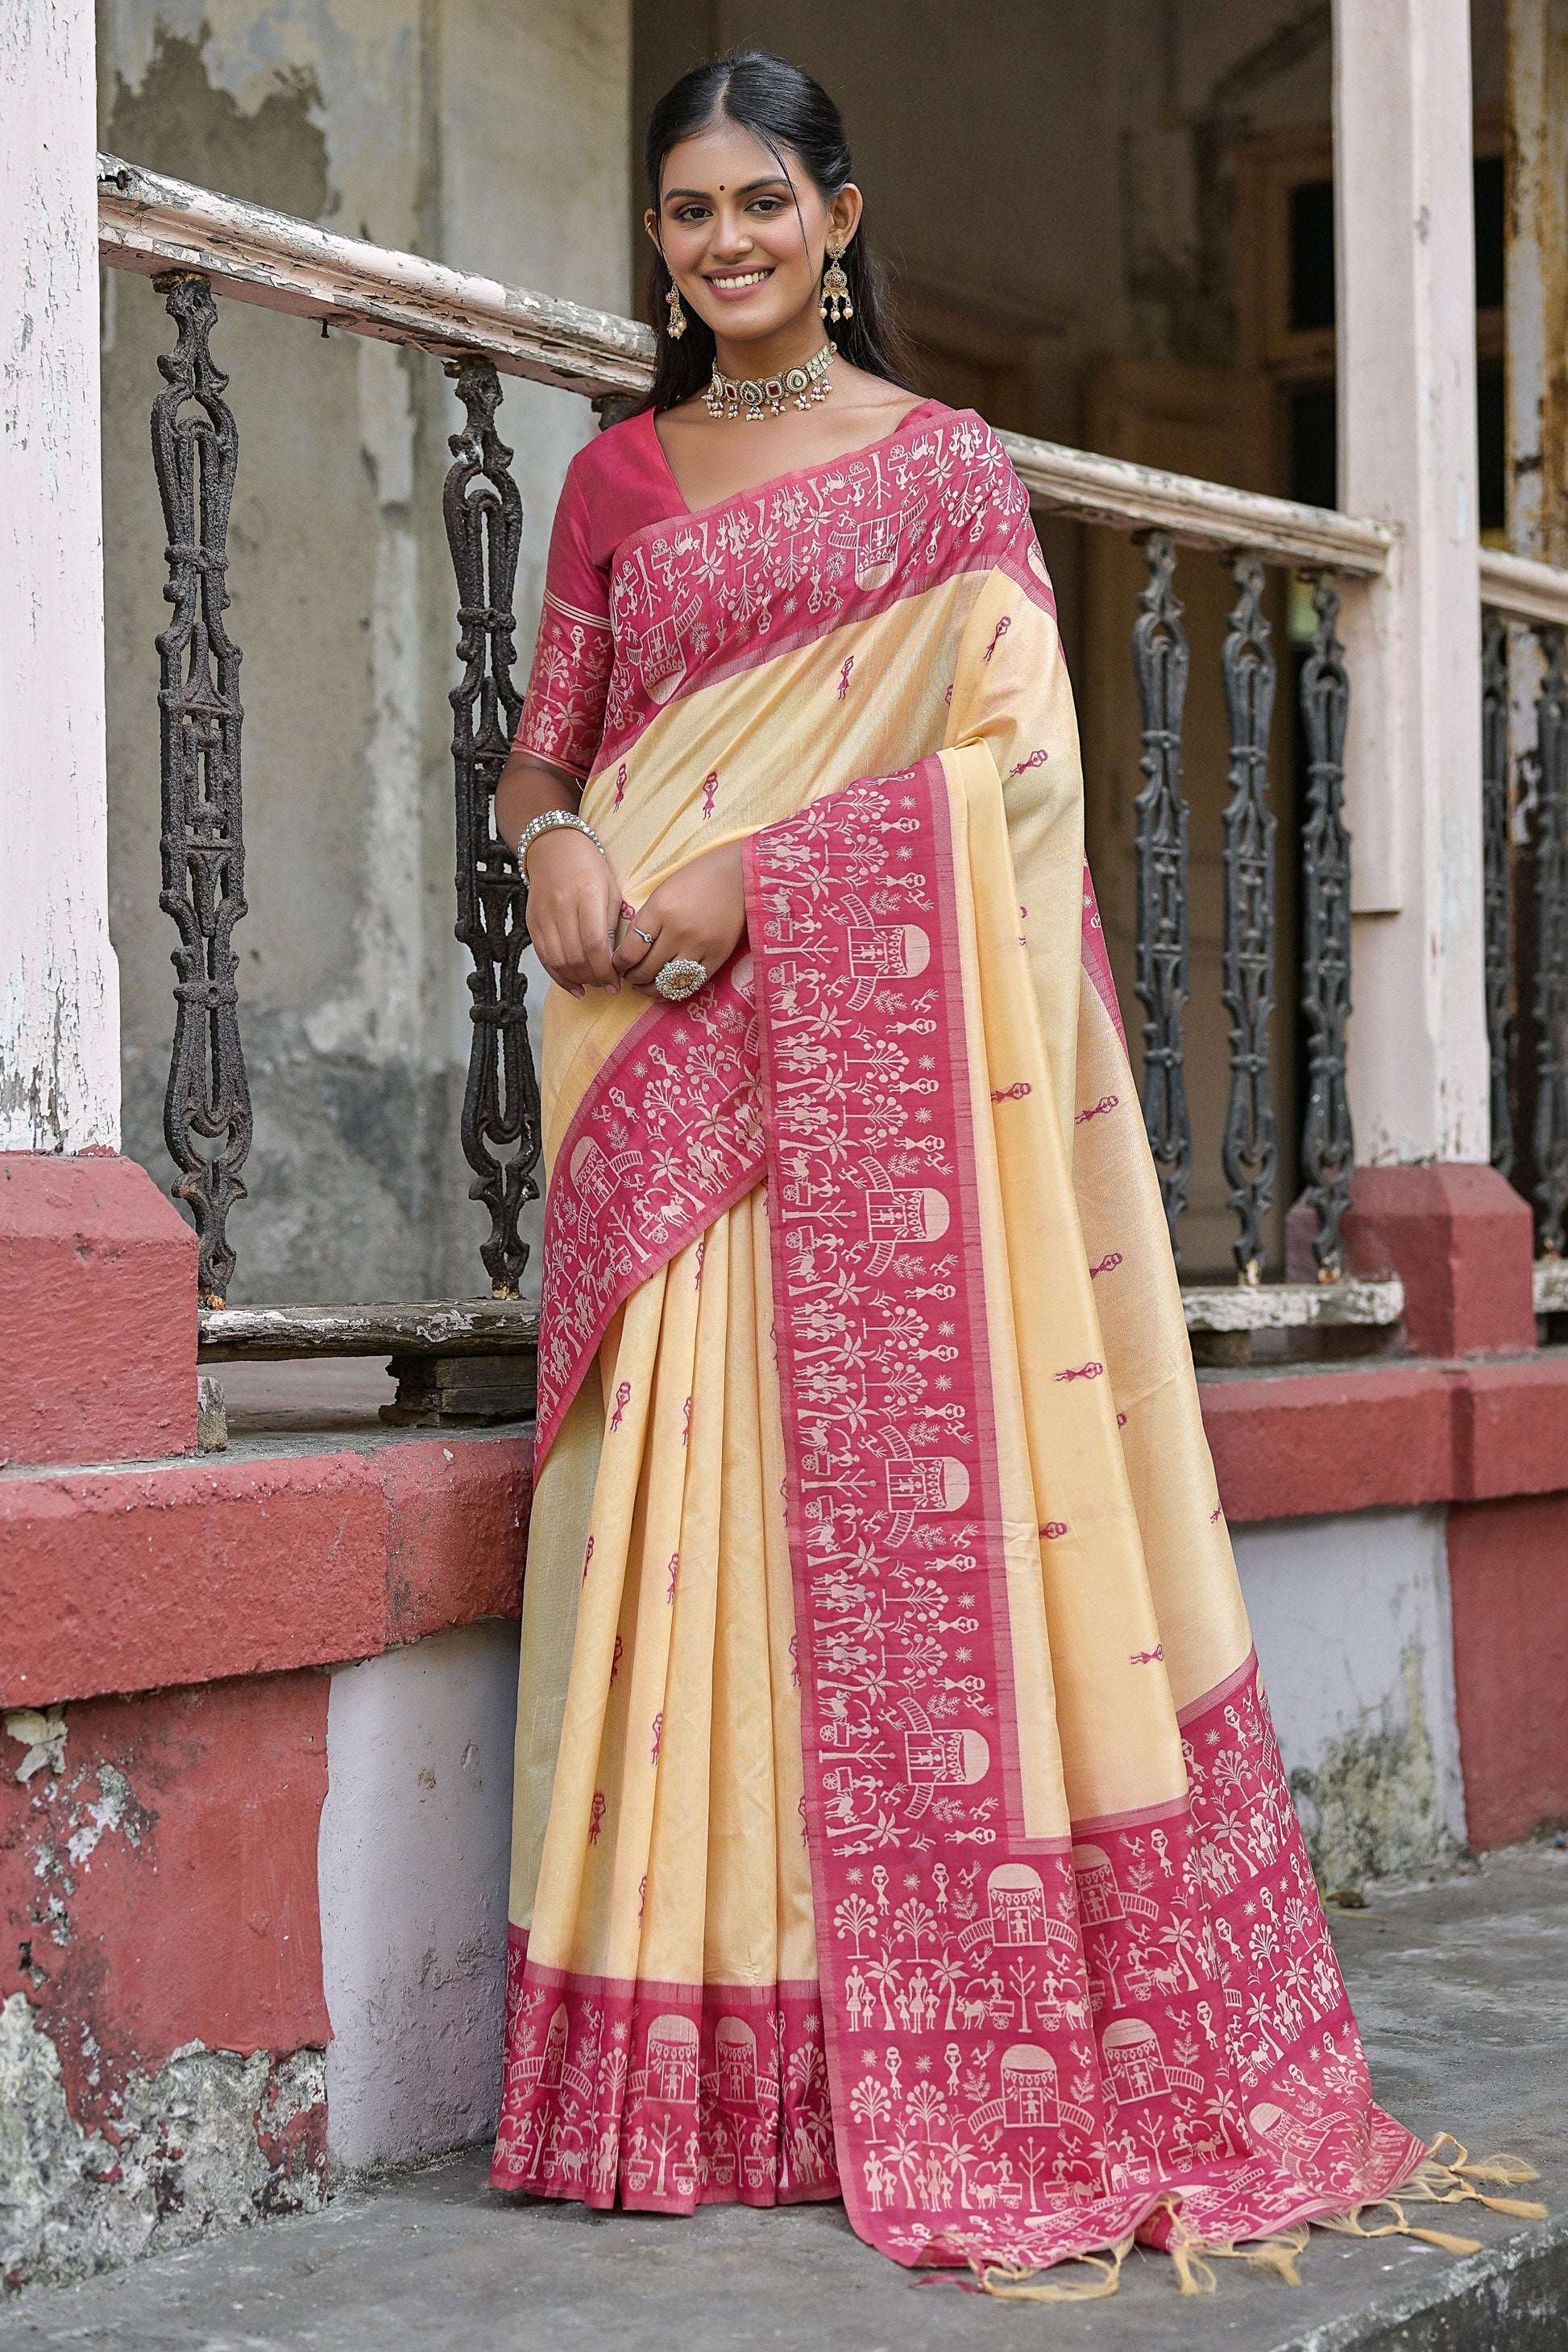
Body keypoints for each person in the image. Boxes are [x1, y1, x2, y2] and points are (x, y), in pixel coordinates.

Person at [487, 46, 1433, 2289]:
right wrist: (554, 850)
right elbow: (547, 750)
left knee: (871, 1535)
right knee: (680, 1533)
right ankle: (690, 2067)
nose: (723, 243)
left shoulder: (941, 476)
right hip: (659, 1063)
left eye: (760, 203)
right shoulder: (616, 476)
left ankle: (912, 2051)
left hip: (857, 1057)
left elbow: (1015, 779)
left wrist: (756, 886)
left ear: (835, 217)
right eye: (687, 212)